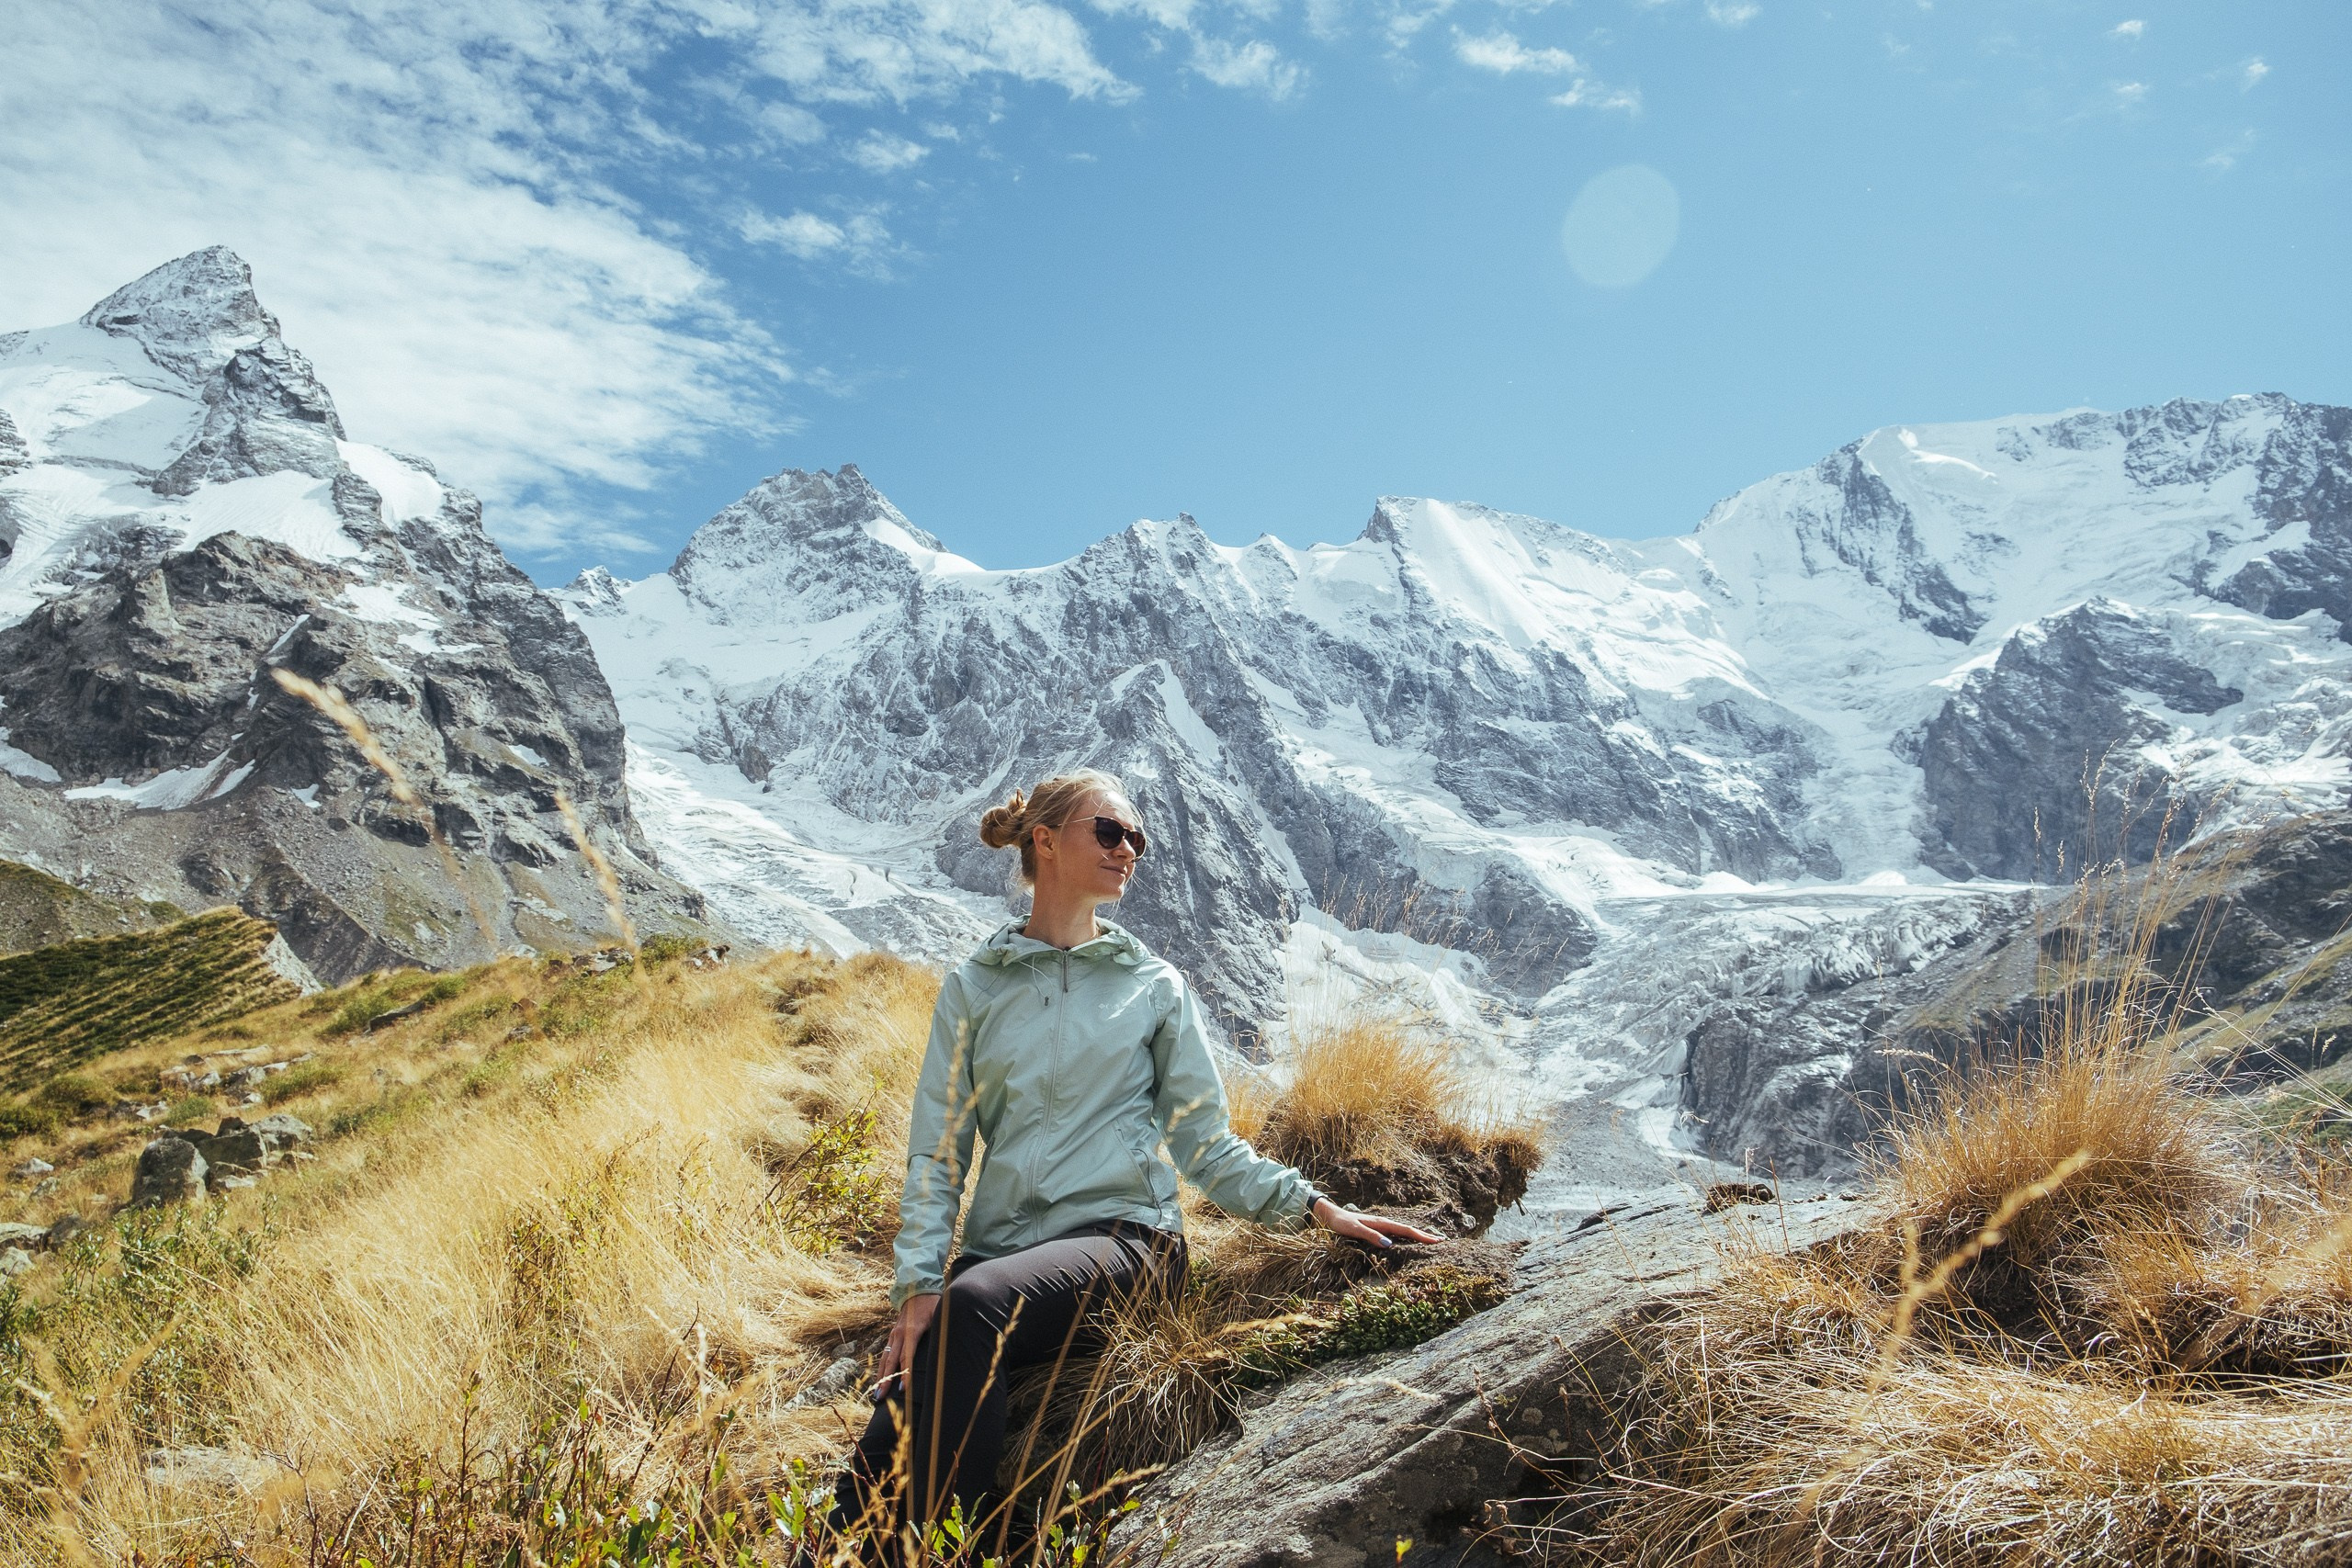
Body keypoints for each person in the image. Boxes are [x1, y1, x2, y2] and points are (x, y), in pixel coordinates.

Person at [832, 768, 1440, 1543]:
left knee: (974, 1306)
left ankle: (964, 1548)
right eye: (1111, 831)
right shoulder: (975, 987)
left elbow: (1205, 1144)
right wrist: (918, 1288)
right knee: (871, 1469)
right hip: (1001, 1261)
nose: (1130, 850)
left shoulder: (1153, 985)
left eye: (1138, 839)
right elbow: (938, 1153)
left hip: (1128, 1243)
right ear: (1045, 840)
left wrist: (1315, 1206)